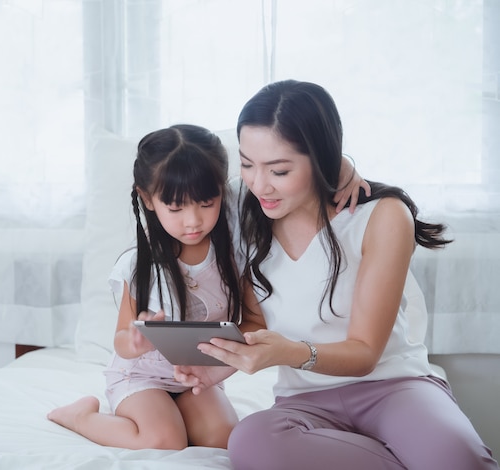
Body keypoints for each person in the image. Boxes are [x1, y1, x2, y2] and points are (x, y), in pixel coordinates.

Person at [175, 80, 499, 469]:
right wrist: (223, 359)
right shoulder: (242, 208)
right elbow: (257, 320)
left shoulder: (381, 216)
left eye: (278, 170)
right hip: (303, 403)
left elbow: (364, 353)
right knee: (251, 441)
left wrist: (289, 352)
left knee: (460, 459)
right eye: (246, 164)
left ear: (320, 158)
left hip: (393, 387)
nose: (259, 184)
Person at [47, 123, 366, 451]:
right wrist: (136, 341)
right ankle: (80, 417)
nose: (193, 221)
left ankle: (178, 410)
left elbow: (253, 322)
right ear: (148, 199)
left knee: (222, 439)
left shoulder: (232, 249)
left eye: (206, 203)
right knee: (165, 440)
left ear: (221, 193)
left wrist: (344, 167)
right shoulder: (139, 264)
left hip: (198, 375)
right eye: (176, 208)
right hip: (141, 376)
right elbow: (120, 341)